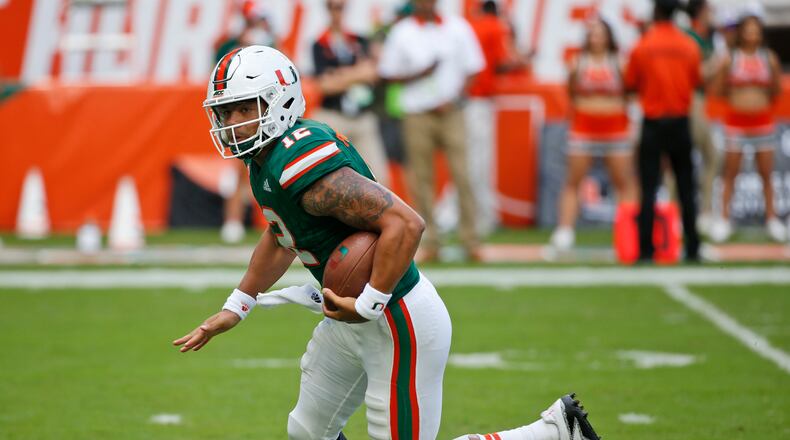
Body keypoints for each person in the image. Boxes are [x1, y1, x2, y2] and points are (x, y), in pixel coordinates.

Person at [174, 45, 601, 440]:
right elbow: (282, 234)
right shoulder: (266, 160)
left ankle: (553, 432)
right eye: (227, 112)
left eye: (244, 108)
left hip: (397, 320)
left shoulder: (297, 161)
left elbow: (406, 223)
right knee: (307, 432)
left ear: (279, 100)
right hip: (346, 318)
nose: (233, 123)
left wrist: (369, 302)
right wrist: (237, 306)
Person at [377, 0, 484, 262]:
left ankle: (471, 239)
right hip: (417, 112)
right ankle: (432, 241)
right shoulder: (403, 32)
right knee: (422, 178)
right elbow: (387, 74)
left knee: (463, 174)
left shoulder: (458, 28)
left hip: (451, 111)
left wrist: (457, 98)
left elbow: (473, 68)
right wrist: (418, 74)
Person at [550, 17, 636, 250]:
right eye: (592, 33)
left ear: (609, 37)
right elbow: (570, 93)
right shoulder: (578, 63)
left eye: (600, 33)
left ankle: (628, 230)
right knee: (573, 180)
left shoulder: (620, 62)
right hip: (584, 128)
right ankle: (565, 230)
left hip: (615, 129)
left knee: (623, 182)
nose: (595, 38)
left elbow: (629, 94)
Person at [625, 0, 701, 262]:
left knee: (648, 188)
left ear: (656, 12)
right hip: (680, 121)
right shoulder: (688, 44)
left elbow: (631, 82)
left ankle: (646, 250)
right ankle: (693, 247)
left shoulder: (644, 45)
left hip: (653, 123)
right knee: (686, 188)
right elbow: (695, 80)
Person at [709, 11, 786, 242]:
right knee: (730, 172)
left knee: (766, 174)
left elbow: (777, 91)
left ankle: (772, 219)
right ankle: (724, 219)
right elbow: (718, 90)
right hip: (736, 123)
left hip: (762, 123)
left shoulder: (769, 58)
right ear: (741, 32)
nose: (752, 33)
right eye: (748, 29)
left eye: (756, 29)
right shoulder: (730, 58)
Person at [466, 0, 530, 238]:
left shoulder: (472, 26)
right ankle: (482, 217)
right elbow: (503, 62)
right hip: (479, 99)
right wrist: (524, 59)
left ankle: (467, 215)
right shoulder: (494, 26)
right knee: (479, 163)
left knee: (471, 161)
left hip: (467, 100)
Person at [312, 0, 390, 187]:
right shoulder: (319, 43)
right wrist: (357, 73)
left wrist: (339, 75)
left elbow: (372, 72)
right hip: (334, 115)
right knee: (329, 176)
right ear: (327, 8)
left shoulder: (358, 39)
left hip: (361, 115)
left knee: (378, 177)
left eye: (341, 7)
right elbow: (324, 85)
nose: (337, 12)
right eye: (333, 6)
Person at [683, 0, 720, 235]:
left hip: (701, 101)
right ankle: (689, 213)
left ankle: (703, 212)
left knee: (711, 157)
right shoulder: (689, 37)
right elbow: (693, 73)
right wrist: (717, 64)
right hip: (689, 101)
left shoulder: (706, 37)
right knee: (687, 158)